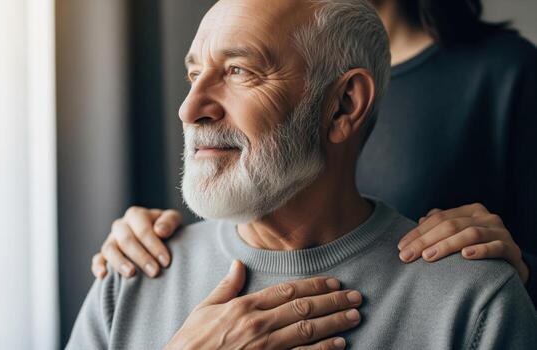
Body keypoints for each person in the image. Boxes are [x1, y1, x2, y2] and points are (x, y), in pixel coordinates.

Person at [67, 0, 537, 348]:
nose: (188, 109)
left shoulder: (474, 301)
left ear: (344, 104)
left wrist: (509, 274)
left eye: (238, 70)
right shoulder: (129, 279)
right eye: (195, 76)